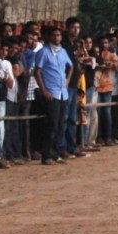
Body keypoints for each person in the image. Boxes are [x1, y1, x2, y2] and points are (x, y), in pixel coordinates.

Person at [34, 27, 73, 165]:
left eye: (58, 35)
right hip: (52, 92)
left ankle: (56, 153)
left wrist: (67, 80)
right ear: (49, 37)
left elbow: (71, 66)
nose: (56, 38)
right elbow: (37, 71)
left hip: (63, 92)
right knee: (52, 124)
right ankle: (47, 155)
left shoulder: (63, 51)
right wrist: (44, 90)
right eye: (54, 35)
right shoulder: (43, 52)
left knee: (61, 124)